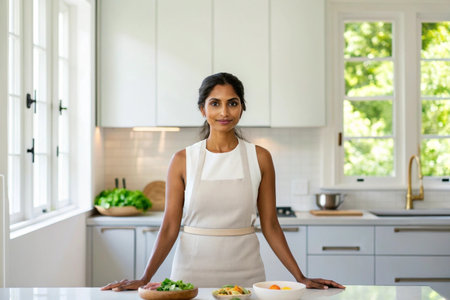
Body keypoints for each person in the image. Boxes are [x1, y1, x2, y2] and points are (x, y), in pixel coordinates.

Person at [101, 72, 345, 291]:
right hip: (191, 274)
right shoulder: (182, 159)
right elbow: (169, 227)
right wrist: (145, 278)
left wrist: (299, 276)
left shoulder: (259, 157)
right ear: (202, 110)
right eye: (215, 103)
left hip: (246, 272)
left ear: (242, 108)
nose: (224, 112)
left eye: (233, 103)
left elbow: (270, 224)